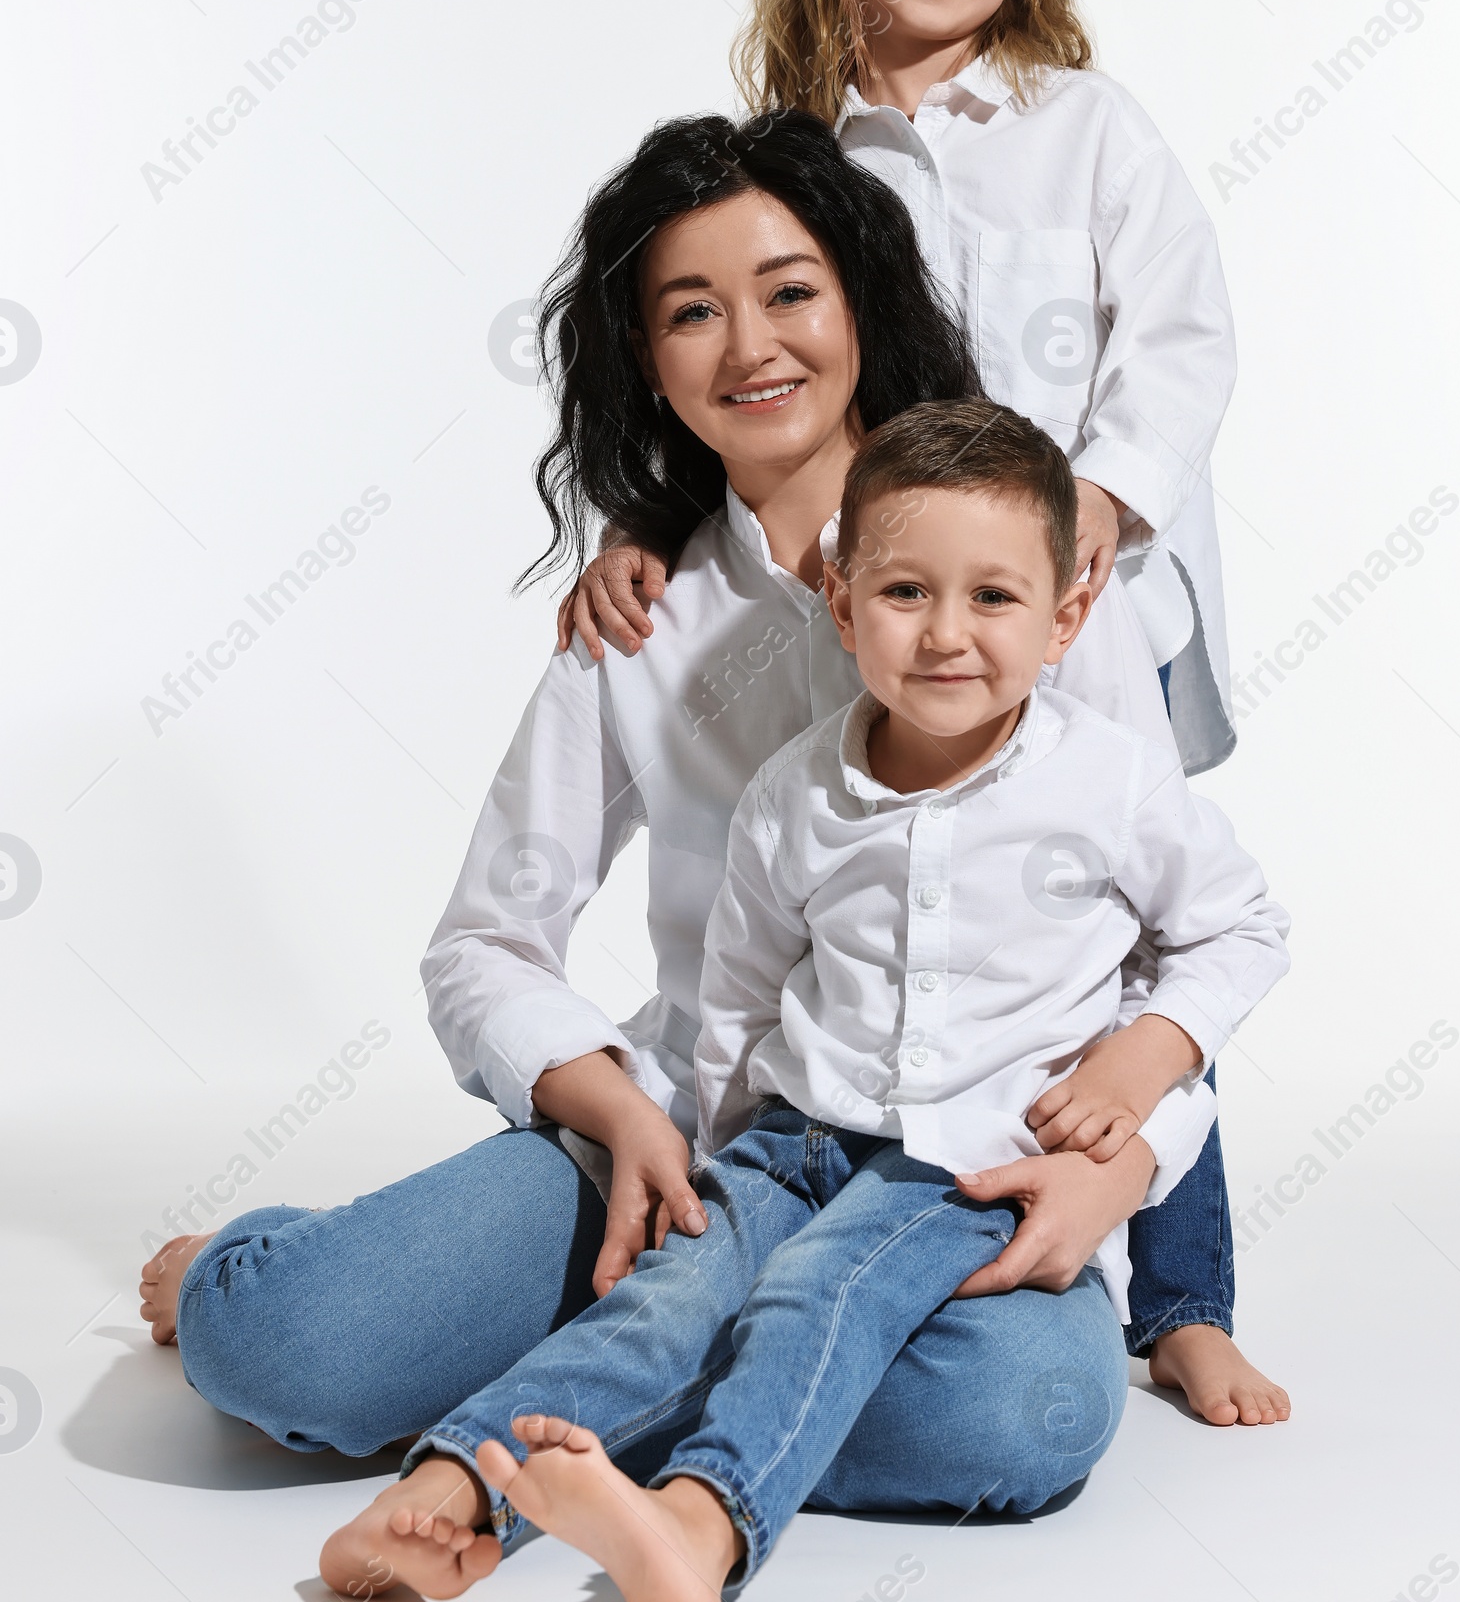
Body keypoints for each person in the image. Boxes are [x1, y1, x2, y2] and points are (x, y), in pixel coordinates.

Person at [140, 112, 1174, 1502]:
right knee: (289, 1348)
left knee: (1023, 1412)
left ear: (860, 300)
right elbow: (484, 945)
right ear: (648, 356)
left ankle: (558, 1386)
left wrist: (1128, 1165)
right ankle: (310, 1282)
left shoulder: (1024, 567)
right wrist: (618, 1111)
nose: (752, 348)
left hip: (954, 1177)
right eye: (695, 312)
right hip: (689, 1155)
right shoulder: (639, 617)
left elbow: (1180, 941)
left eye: (791, 292)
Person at [558, 0, 1284, 1426]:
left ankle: (1181, 1296)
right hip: (904, 610)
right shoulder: (801, 153)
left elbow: (1186, 336)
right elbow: (758, 370)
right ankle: (852, 1196)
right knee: (918, 878)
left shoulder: (1082, 128)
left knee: (1138, 910)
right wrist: (651, 524)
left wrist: (1106, 494)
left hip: (1079, 588)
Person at [319, 402, 1288, 1602]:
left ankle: (698, 1524)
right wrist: (717, 1161)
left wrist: (1148, 1055)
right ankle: (455, 1490)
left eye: (993, 599)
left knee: (820, 1293)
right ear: (842, 605)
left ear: (1066, 619)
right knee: (669, 1297)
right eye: (903, 593)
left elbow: (1241, 928)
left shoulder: (1111, 777)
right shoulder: (796, 790)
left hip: (961, 1160)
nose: (945, 635)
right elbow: (738, 988)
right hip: (789, 1137)